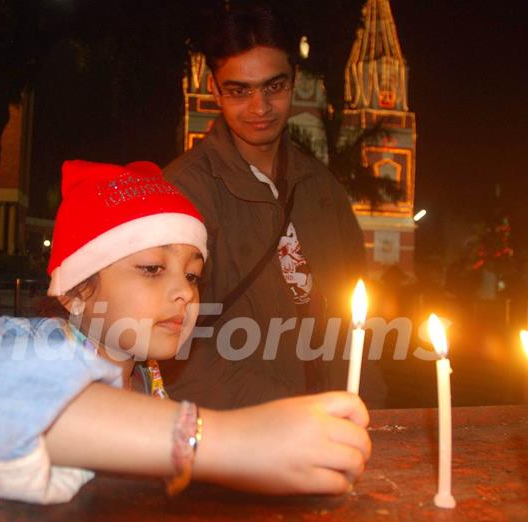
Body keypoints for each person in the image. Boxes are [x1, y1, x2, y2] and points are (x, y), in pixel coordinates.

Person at [0, 160, 371, 505]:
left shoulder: (149, 377)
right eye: (153, 268)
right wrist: (229, 442)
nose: (185, 293)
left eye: (193, 274)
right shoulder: (35, 345)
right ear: (76, 292)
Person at [161, 5, 386, 409]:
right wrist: (289, 414)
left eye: (273, 87)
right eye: (239, 90)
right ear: (214, 89)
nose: (259, 107)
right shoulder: (184, 192)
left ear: (294, 81)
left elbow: (357, 319)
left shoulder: (322, 189)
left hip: (334, 422)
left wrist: (371, 404)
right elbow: (171, 346)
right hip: (237, 439)